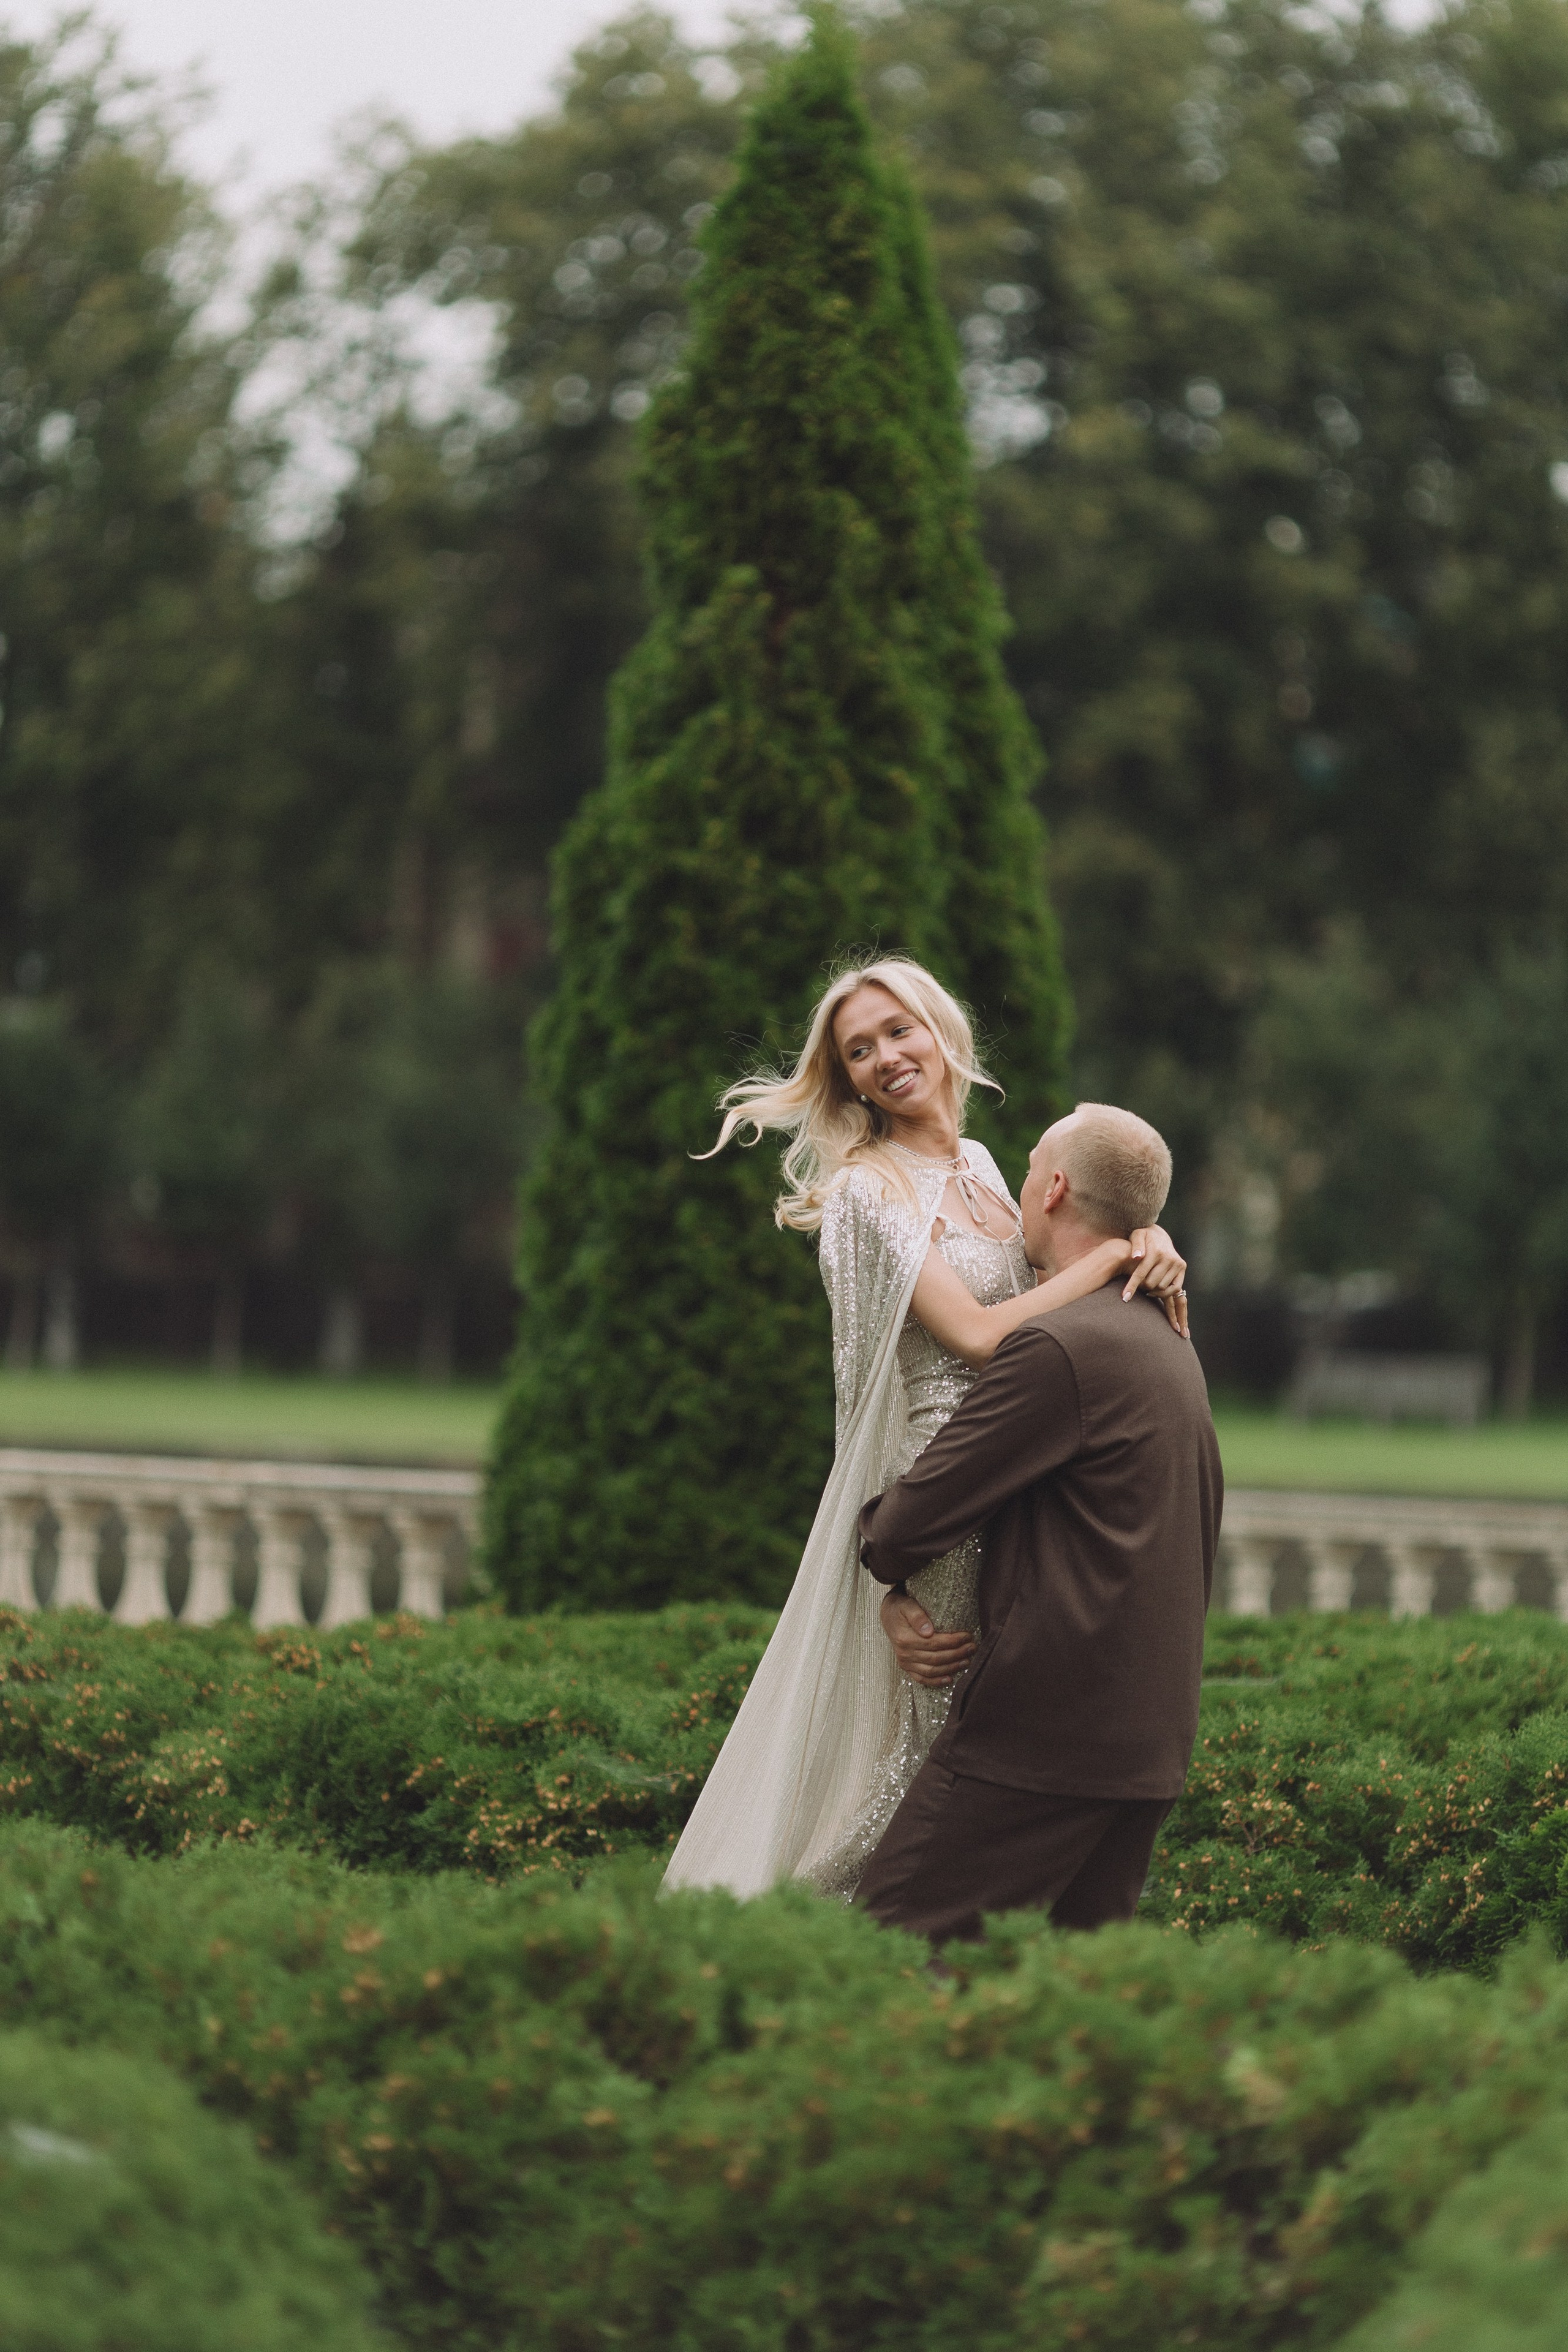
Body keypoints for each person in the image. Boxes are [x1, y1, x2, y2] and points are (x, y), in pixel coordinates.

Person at [662, 958, 1187, 1899]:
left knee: (1003, 1730)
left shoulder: (987, 1167)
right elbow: (983, 1336)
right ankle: (852, 1929)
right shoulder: (871, 1191)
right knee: (934, 1748)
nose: (883, 1059)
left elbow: (1063, 1269)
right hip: (954, 1479)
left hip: (1028, 1468)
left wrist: (1148, 1234)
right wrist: (1115, 1257)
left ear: (941, 1030)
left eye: (896, 1031)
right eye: (857, 1051)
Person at [852, 1104, 1223, 1947]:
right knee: (1058, 2006)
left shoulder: (1060, 1348)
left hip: (1041, 1739)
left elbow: (906, 1525)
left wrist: (875, 1544)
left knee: (887, 1956)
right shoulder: (1167, 1337)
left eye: (1024, 1170)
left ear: (1054, 1188)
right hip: (1148, 1747)